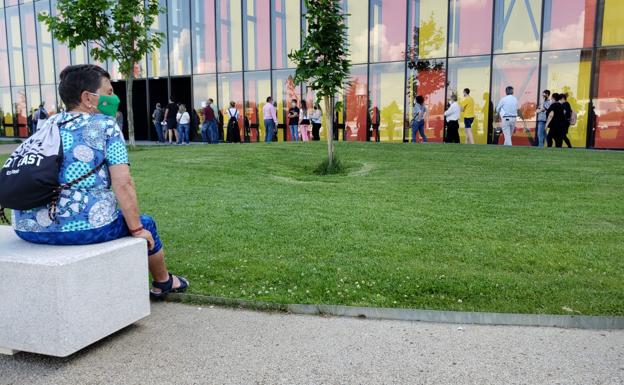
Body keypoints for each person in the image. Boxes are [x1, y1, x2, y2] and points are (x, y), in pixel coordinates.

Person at [9, 64, 188, 298]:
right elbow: (122, 183)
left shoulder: (48, 125)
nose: (114, 98)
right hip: (82, 227)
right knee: (147, 224)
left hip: (27, 227)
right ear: (88, 98)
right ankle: (163, 282)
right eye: (109, 92)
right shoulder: (105, 125)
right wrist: (136, 228)